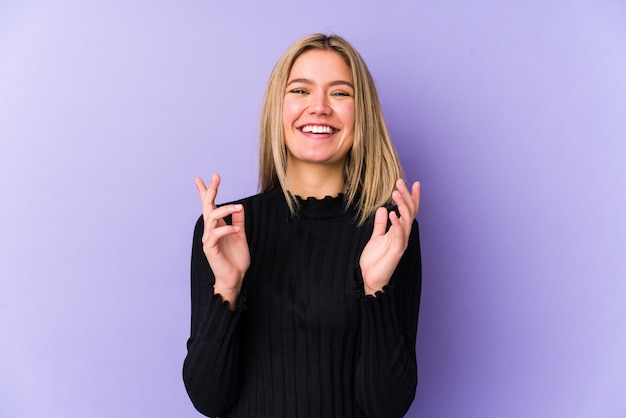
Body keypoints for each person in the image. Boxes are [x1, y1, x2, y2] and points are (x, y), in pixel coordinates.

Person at [183, 33, 422, 418]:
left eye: (341, 93)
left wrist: (375, 289)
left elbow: (387, 405)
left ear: (362, 114)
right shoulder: (224, 229)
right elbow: (209, 399)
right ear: (278, 110)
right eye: (301, 90)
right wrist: (227, 288)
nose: (320, 108)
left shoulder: (388, 230)